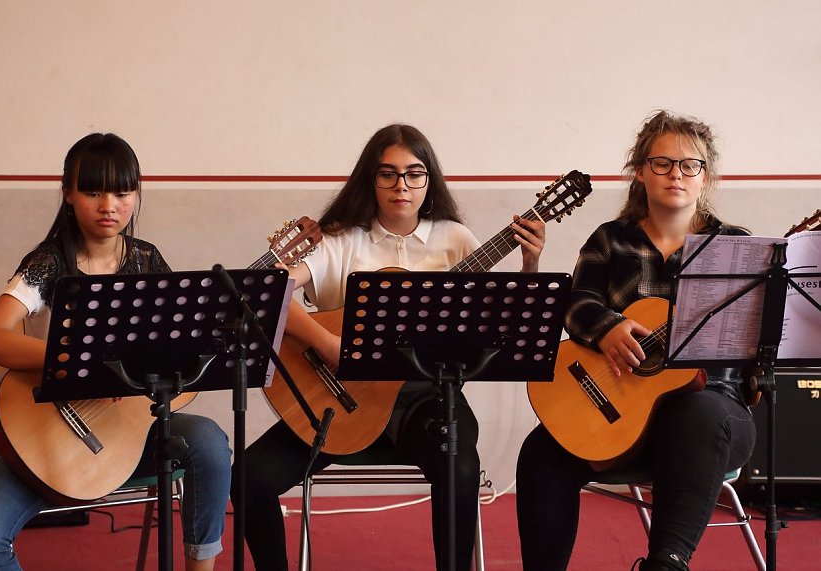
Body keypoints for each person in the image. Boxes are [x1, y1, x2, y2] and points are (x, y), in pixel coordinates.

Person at [236, 123, 546, 571]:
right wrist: (327, 344)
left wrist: (529, 265)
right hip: (338, 403)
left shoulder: (456, 239)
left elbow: (502, 322)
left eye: (414, 173)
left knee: (459, 468)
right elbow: (271, 291)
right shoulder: (341, 239)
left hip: (428, 402)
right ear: (371, 179)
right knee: (247, 477)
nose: (401, 185)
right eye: (388, 174)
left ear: (429, 180)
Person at [0, 133, 232, 571]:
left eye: (123, 192)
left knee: (209, 441)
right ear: (68, 194)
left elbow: (177, 357)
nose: (109, 205)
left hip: (131, 430)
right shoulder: (48, 263)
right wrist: (75, 357)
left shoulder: (147, 262)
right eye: (93, 192)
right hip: (53, 434)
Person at [515, 110, 757, 571]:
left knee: (699, 409)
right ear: (641, 171)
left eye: (690, 165)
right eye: (662, 163)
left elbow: (750, 341)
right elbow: (575, 303)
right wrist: (606, 326)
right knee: (541, 453)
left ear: (705, 177)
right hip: (621, 410)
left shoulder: (735, 247)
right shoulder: (610, 241)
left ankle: (666, 562)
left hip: (712, 417)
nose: (676, 174)